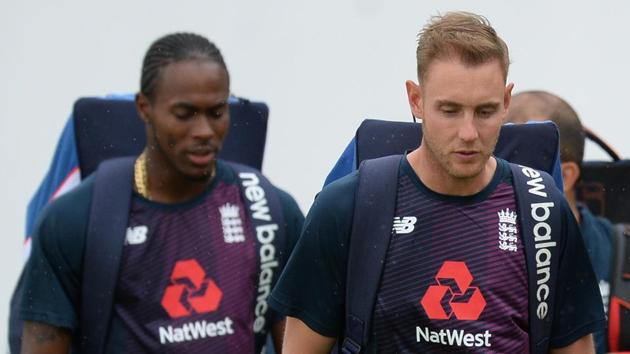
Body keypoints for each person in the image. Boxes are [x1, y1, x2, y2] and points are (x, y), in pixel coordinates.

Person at [269, 11, 604, 353]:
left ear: (506, 102)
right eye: (450, 110)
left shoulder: (543, 210)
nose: (468, 133)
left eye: (485, 112)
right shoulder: (349, 205)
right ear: (416, 99)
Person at [19, 32, 304, 353]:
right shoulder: (75, 219)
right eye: (184, 114)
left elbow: (298, 343)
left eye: (217, 112)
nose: (204, 131)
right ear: (144, 108)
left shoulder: (270, 210)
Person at [507, 90, 614, 354]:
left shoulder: (620, 254)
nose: (498, 172)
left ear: (565, 175)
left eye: (515, 159)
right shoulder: (468, 246)